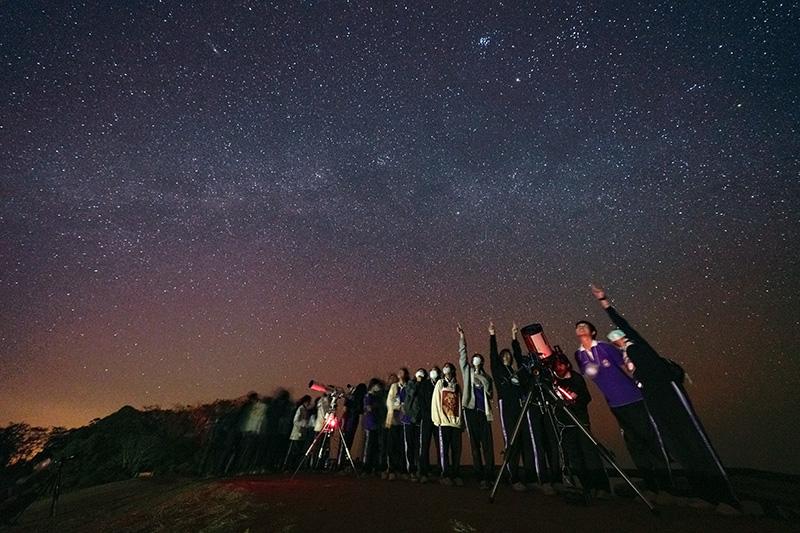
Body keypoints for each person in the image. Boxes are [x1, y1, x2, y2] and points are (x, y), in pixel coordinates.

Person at [592, 285, 739, 509]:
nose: (615, 338)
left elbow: (624, 325)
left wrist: (604, 303)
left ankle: (727, 499)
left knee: (694, 439)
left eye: (617, 336)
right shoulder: (624, 355)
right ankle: (706, 495)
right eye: (613, 338)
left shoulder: (637, 345)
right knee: (678, 446)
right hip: (652, 398)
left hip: (667, 391)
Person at [574, 320, 673, 494]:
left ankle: (667, 488)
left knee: (651, 440)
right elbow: (589, 373)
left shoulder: (605, 348)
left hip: (634, 398)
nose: (580, 328)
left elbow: (626, 366)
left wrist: (644, 385)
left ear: (593, 331)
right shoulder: (579, 355)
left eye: (584, 326)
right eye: (578, 327)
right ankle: (651, 487)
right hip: (616, 405)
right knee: (634, 445)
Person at [551, 349, 613, 500]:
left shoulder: (577, 378)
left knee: (590, 455)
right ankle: (588, 487)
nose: (558, 369)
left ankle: (602, 488)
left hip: (581, 421)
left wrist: (574, 398)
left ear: (567, 365)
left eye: (560, 365)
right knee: (575, 458)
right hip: (566, 424)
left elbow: (586, 398)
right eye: (556, 366)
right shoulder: (555, 382)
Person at [488, 321, 531, 492]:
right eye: (503, 354)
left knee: (521, 441)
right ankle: (512, 477)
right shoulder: (498, 370)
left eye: (508, 355)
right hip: (507, 406)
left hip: (520, 406)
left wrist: (514, 337)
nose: (506, 356)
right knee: (511, 441)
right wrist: (492, 335)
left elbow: (519, 356)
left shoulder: (516, 372)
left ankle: (523, 476)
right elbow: (492, 354)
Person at [457, 324, 495, 490]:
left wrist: (483, 380)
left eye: (478, 359)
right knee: (475, 445)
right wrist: (462, 339)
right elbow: (462, 358)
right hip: (471, 410)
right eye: (475, 358)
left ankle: (490, 476)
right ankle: (480, 477)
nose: (476, 360)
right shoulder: (468, 371)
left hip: (484, 412)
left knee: (488, 446)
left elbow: (490, 393)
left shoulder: (486, 377)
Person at [432, 362, 463, 486]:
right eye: (445, 367)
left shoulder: (456, 385)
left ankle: (455, 474)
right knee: (444, 450)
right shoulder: (440, 383)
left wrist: (461, 422)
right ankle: (445, 474)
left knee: (456, 449)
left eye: (449, 368)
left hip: (455, 422)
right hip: (444, 423)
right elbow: (435, 401)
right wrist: (437, 419)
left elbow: (460, 403)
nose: (447, 370)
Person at [361, 378, 384, 476]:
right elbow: (368, 408)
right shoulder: (369, 396)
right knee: (369, 446)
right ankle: (366, 468)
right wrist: (376, 406)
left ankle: (373, 467)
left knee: (375, 446)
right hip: (370, 424)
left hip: (376, 423)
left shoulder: (376, 396)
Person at [284, 395, 312, 471]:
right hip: (297, 434)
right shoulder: (300, 409)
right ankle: (288, 467)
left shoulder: (304, 410)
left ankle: (293, 467)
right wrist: (304, 424)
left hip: (301, 434)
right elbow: (295, 421)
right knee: (294, 452)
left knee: (297, 452)